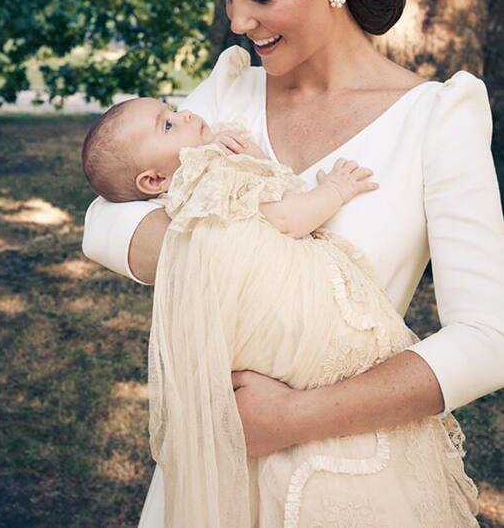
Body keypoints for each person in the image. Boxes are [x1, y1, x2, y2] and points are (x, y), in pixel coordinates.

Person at [82, 0, 504, 527]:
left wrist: (293, 417)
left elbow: (488, 341)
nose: (239, 20)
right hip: (211, 477)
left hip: (354, 474)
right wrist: (249, 242)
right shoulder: (231, 94)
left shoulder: (437, 118)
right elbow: (104, 220)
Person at [80, 94, 479, 526]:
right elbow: (286, 219)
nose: (186, 114)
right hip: (304, 339)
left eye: (171, 111)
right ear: (153, 181)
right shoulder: (206, 176)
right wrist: (334, 190)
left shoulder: (200, 176)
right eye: (168, 125)